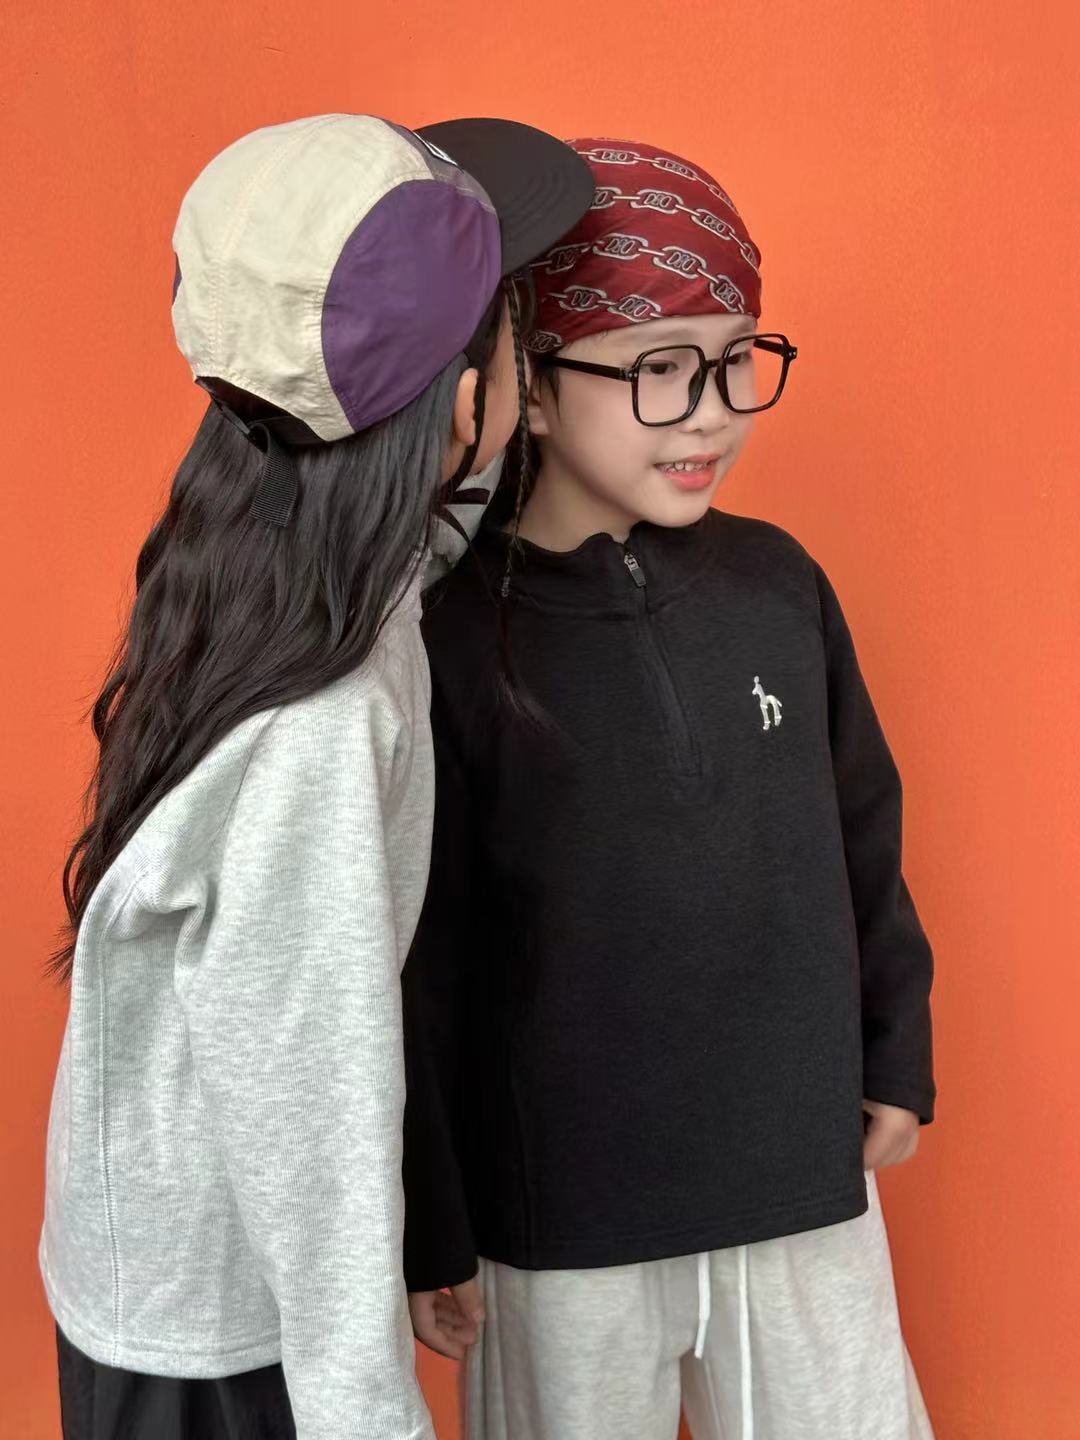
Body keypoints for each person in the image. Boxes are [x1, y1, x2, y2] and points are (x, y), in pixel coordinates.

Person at [39, 112, 593, 1440]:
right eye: (517, 337)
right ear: (463, 406)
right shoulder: (324, 724)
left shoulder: (262, 553)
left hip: (161, 1258)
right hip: (225, 1342)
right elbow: (315, 1104)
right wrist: (370, 1409)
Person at [402, 138, 936, 1440]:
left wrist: (896, 1048)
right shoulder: (453, 638)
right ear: (531, 387)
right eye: (657, 368)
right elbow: (428, 953)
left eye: (735, 359)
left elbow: (864, 833)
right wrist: (434, 1219)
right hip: (563, 1214)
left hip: (798, 1175)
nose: (710, 411)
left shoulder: (780, 586)